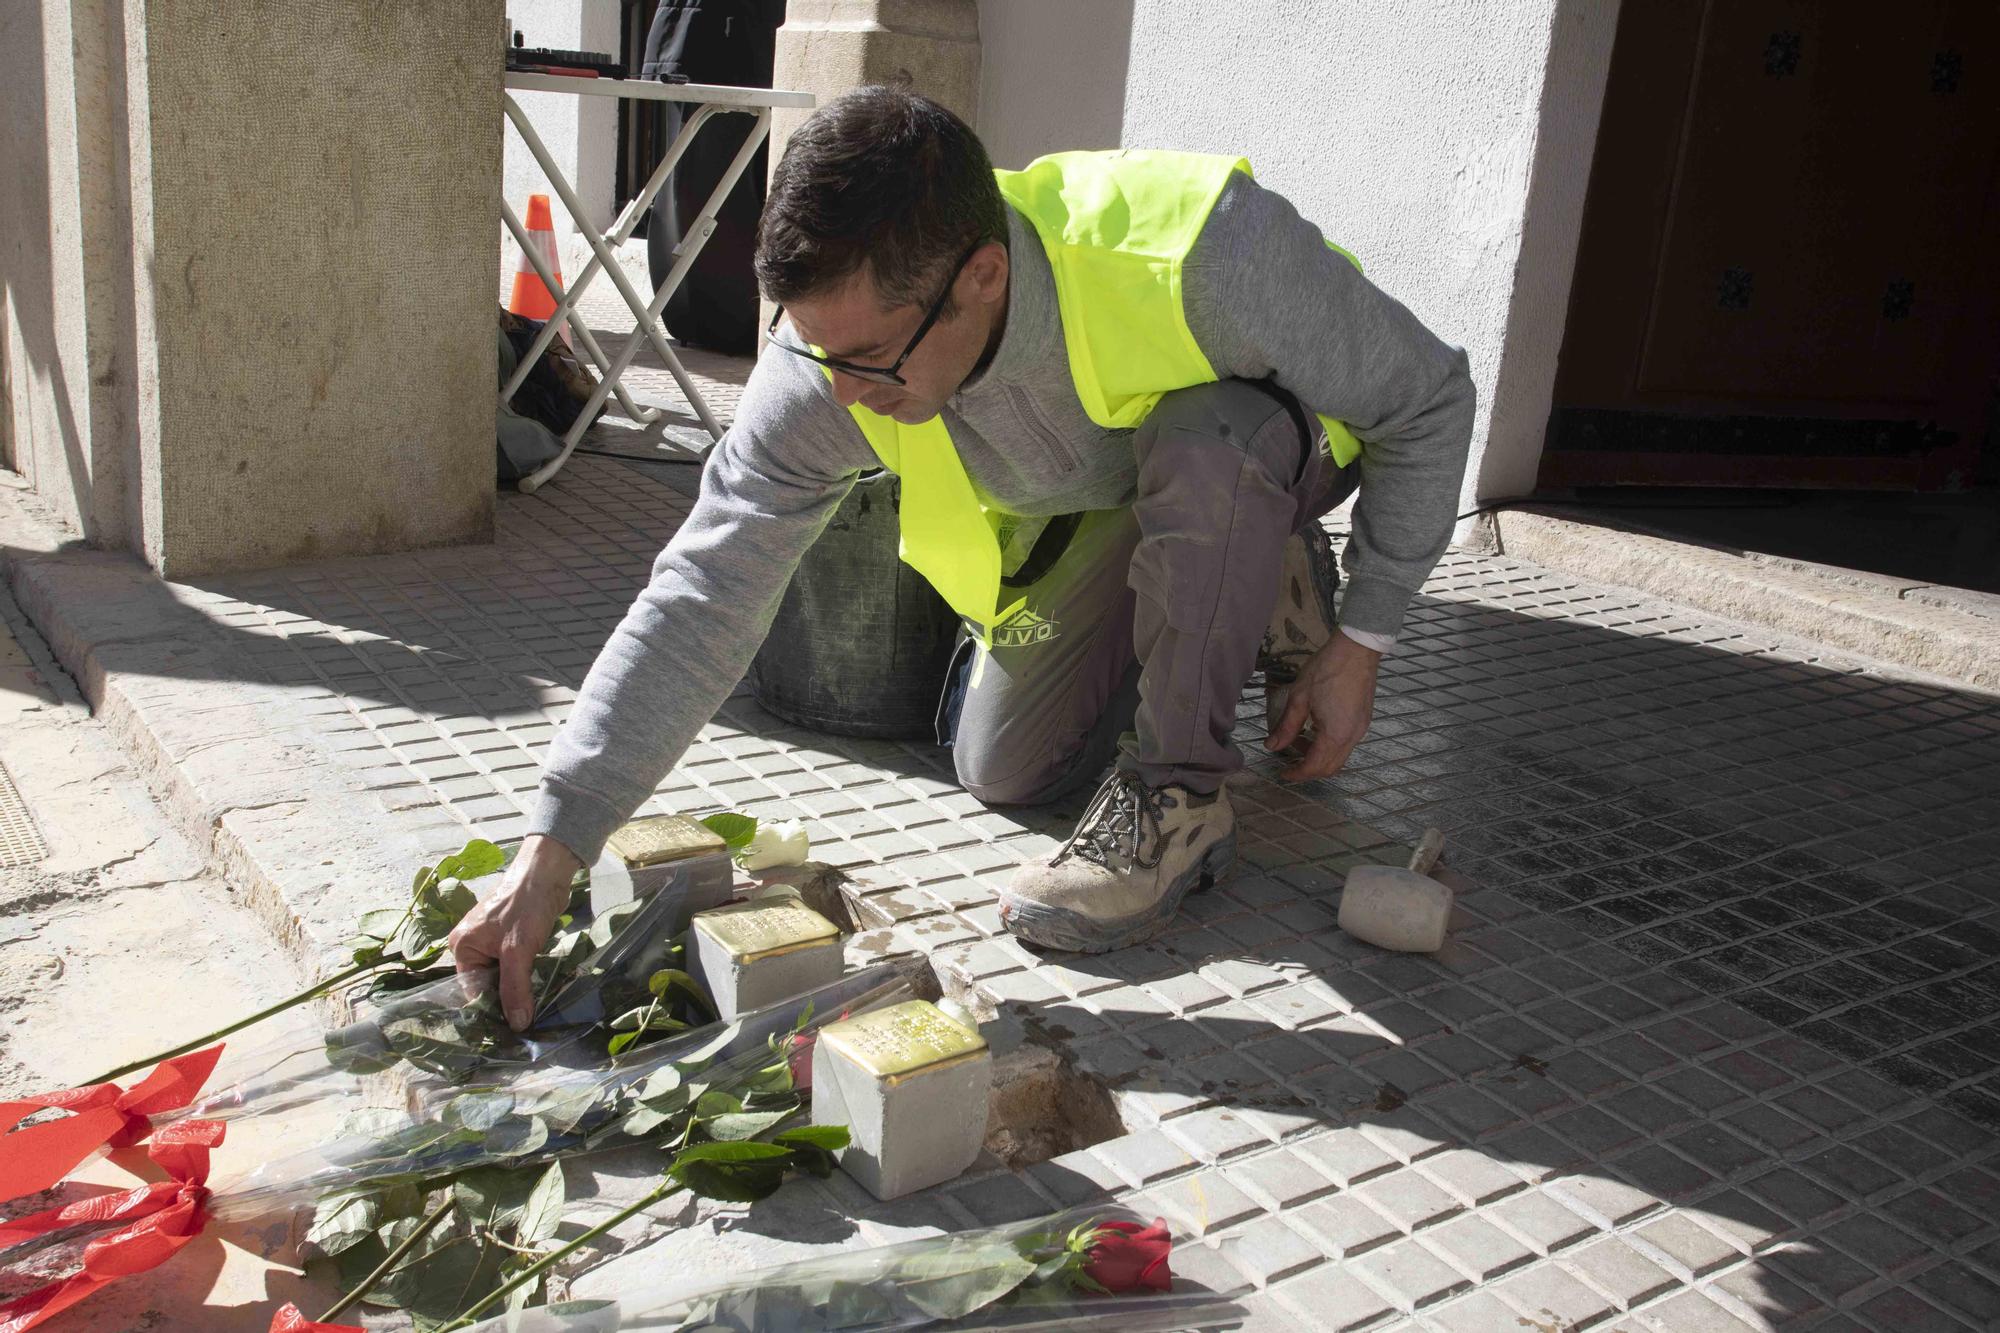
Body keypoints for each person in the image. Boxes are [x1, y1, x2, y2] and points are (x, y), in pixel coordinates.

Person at [452, 87, 1475, 1029]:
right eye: (815, 350)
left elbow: (1430, 396)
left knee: (1209, 443)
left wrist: (1362, 644)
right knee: (1007, 767)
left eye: (867, 359)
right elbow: (704, 589)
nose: (840, 394)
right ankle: (1250, 586)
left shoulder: (1206, 254)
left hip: (1245, 460)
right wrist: (556, 840)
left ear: (980, 277)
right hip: (1107, 508)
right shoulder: (833, 361)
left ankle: (1182, 796)